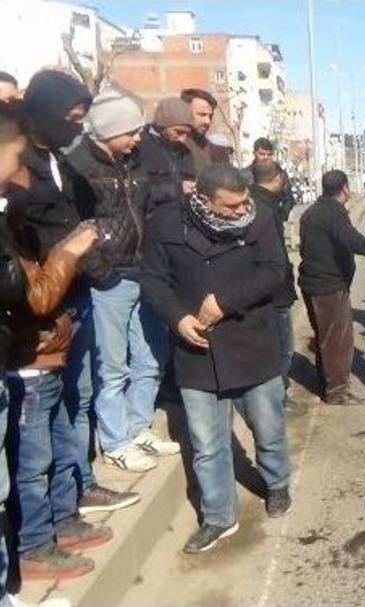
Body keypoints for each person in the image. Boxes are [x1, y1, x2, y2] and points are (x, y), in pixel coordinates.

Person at [141, 163, 292, 554]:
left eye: (244, 202)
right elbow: (153, 280)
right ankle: (219, 515)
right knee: (207, 444)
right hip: (196, 349)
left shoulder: (259, 217)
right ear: (203, 199)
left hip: (250, 340)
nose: (241, 211)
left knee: (268, 427)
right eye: (231, 206)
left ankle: (277, 483)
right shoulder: (166, 223)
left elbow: (275, 270)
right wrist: (178, 318)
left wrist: (226, 301)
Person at [6, 71, 130, 517]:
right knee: (46, 417)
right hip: (41, 307)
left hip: (77, 296)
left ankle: (80, 483)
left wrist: (95, 262)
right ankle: (53, 511)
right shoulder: (17, 168)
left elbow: (83, 217)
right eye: (71, 119)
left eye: (82, 120)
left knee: (80, 398)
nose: (77, 128)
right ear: (45, 113)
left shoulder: (64, 163)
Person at [67, 91, 178, 473]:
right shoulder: (79, 166)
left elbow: (145, 211)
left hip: (142, 270)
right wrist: (103, 274)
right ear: (109, 129)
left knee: (151, 355)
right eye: (130, 132)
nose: (137, 138)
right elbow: (75, 228)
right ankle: (115, 441)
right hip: (109, 279)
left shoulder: (132, 161)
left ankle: (137, 426)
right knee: (112, 368)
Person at [1, 99, 85, 605]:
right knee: (30, 464)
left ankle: (56, 523)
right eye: (17, 160)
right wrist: (68, 253)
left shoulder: (13, 218)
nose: (19, 177)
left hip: (43, 354)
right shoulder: (12, 227)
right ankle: (35, 543)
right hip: (26, 358)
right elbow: (29, 295)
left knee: (52, 447)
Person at [298, 170, 365, 406]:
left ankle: (326, 383)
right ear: (345, 189)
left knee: (324, 338)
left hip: (312, 282)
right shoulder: (334, 213)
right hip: (329, 286)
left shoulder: (311, 212)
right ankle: (337, 391)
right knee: (337, 341)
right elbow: (351, 239)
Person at [250, 160, 305, 417]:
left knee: (272, 348)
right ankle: (277, 400)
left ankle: (272, 398)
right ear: (279, 178)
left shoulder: (255, 202)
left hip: (264, 287)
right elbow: (274, 254)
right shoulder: (265, 207)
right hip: (275, 289)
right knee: (283, 349)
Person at [135, 97, 196, 219]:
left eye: (187, 134)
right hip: (152, 223)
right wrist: (177, 189)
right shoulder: (139, 147)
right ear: (162, 125)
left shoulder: (185, 152)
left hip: (182, 222)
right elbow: (137, 192)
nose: (183, 139)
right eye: (178, 132)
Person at [248, 138, 296, 219]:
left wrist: (280, 216)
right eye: (262, 154)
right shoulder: (245, 174)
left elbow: (289, 199)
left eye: (269, 154)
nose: (266, 157)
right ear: (254, 153)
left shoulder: (280, 174)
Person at [180, 88, 218, 173]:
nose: (207, 121)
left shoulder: (214, 150)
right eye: (202, 115)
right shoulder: (168, 148)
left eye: (210, 116)